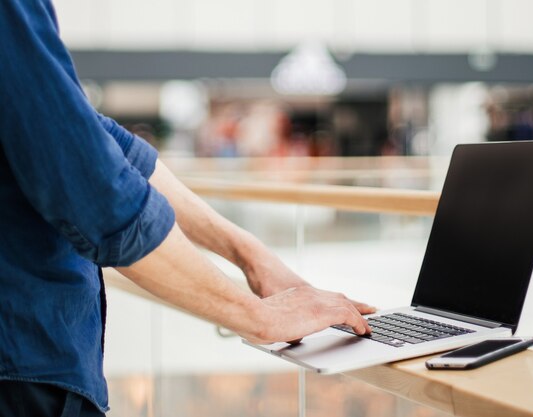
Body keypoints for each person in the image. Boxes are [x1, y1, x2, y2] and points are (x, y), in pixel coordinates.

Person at [0, 1, 373, 415]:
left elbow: (97, 139)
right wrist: (259, 317)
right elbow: (97, 195)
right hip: (20, 367)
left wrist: (250, 256)